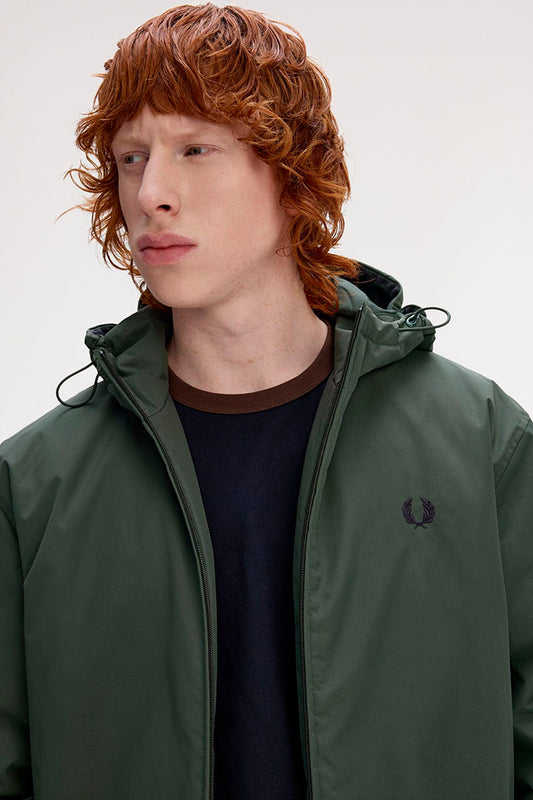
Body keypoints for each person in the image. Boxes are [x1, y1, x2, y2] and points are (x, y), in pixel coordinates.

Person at [0, 4, 532, 799]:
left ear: (290, 171)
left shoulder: (478, 439)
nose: (151, 193)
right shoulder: (35, 483)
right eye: (131, 158)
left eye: (195, 149)